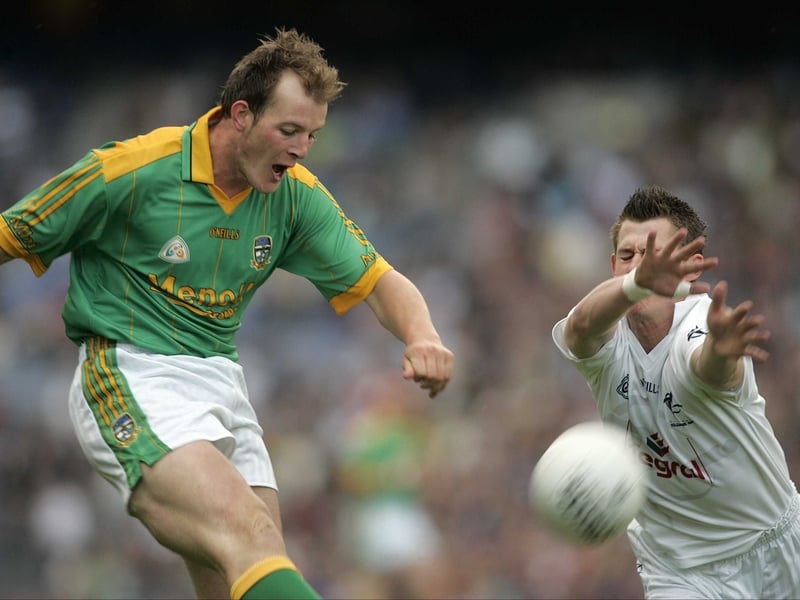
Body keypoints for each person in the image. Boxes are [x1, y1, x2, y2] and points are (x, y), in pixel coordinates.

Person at [0, 27, 454, 600]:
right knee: (252, 538)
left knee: (236, 578)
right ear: (240, 114)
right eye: (288, 130)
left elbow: (381, 279)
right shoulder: (131, 172)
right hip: (132, 374)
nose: (300, 149)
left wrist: (423, 335)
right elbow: (11, 234)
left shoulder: (295, 195)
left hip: (221, 386)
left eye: (311, 135)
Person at [551, 184, 800, 599]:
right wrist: (637, 285)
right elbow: (579, 328)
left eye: (653, 257)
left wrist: (722, 353)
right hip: (679, 573)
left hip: (776, 544)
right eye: (628, 257)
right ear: (613, 265)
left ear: (690, 266)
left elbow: (707, 367)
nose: (637, 268)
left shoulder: (702, 327)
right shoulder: (605, 340)